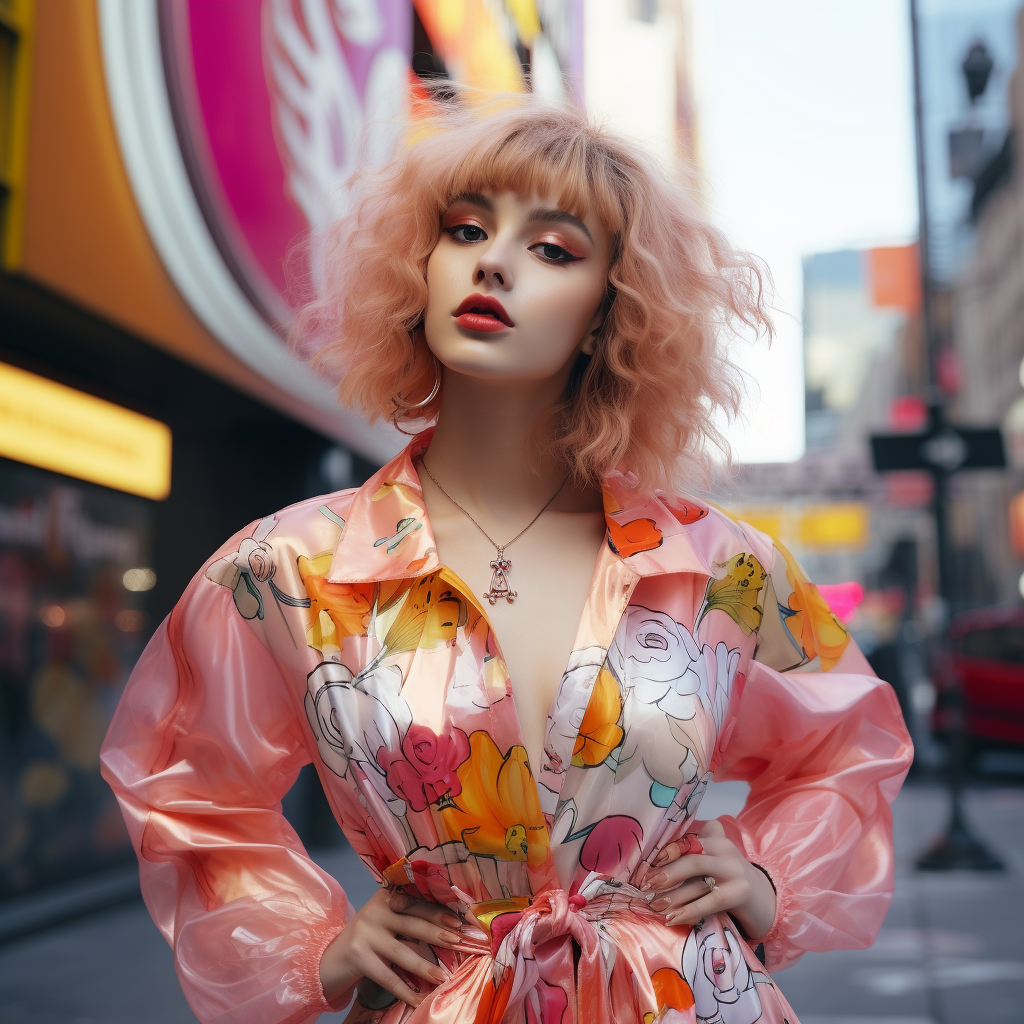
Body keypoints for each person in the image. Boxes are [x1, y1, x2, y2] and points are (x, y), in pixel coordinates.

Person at [100, 93, 913, 1024]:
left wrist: (772, 880)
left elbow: (848, 743)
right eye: (465, 229)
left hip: (680, 998)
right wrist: (309, 945)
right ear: (420, 262)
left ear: (615, 309)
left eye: (553, 248)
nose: (492, 259)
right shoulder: (288, 569)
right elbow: (186, 786)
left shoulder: (721, 565)